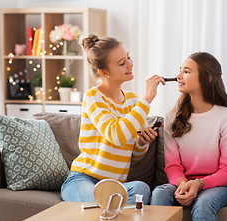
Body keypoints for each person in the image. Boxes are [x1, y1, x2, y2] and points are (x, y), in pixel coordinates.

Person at [61, 34, 165, 205]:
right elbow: (116, 135)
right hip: (84, 179)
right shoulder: (93, 97)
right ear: (104, 72)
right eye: (121, 63)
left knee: (141, 189)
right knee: (95, 208)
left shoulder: (132, 101)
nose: (130, 64)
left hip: (114, 185)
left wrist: (141, 142)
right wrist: (147, 99)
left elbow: (134, 156)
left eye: (128, 58)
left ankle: (113, 212)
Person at [150, 52, 227, 221]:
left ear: (207, 78)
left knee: (204, 202)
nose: (179, 76)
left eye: (187, 71)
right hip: (184, 182)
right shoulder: (172, 117)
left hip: (220, 185)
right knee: (159, 194)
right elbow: (172, 166)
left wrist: (199, 184)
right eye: (180, 71)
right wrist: (183, 184)